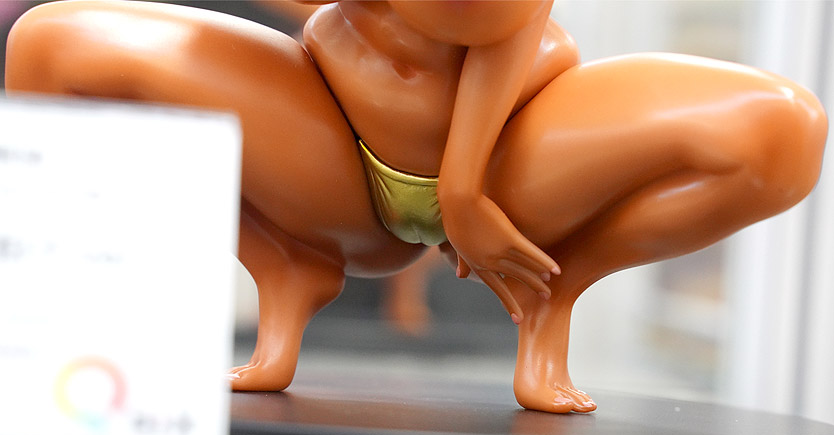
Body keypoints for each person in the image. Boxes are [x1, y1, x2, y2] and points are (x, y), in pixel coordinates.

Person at [5, 0, 826, 412]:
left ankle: (553, 285)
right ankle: (283, 264)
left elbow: (501, 21)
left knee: (780, 133)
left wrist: (464, 189)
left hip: (515, 157)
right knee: (48, 45)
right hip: (330, 143)